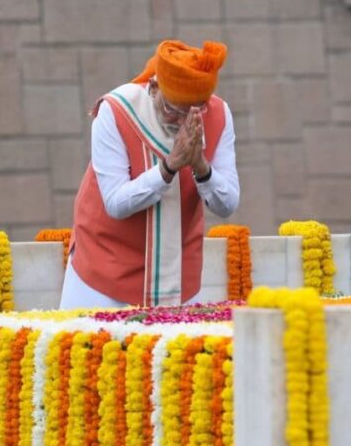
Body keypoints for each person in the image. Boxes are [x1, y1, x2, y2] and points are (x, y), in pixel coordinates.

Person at [60, 39, 240, 309]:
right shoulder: (115, 110)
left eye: (194, 110)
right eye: (174, 110)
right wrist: (168, 168)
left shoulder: (218, 115)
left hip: (177, 274)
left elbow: (228, 205)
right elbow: (116, 204)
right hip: (103, 271)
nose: (183, 122)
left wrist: (201, 167)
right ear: (154, 88)